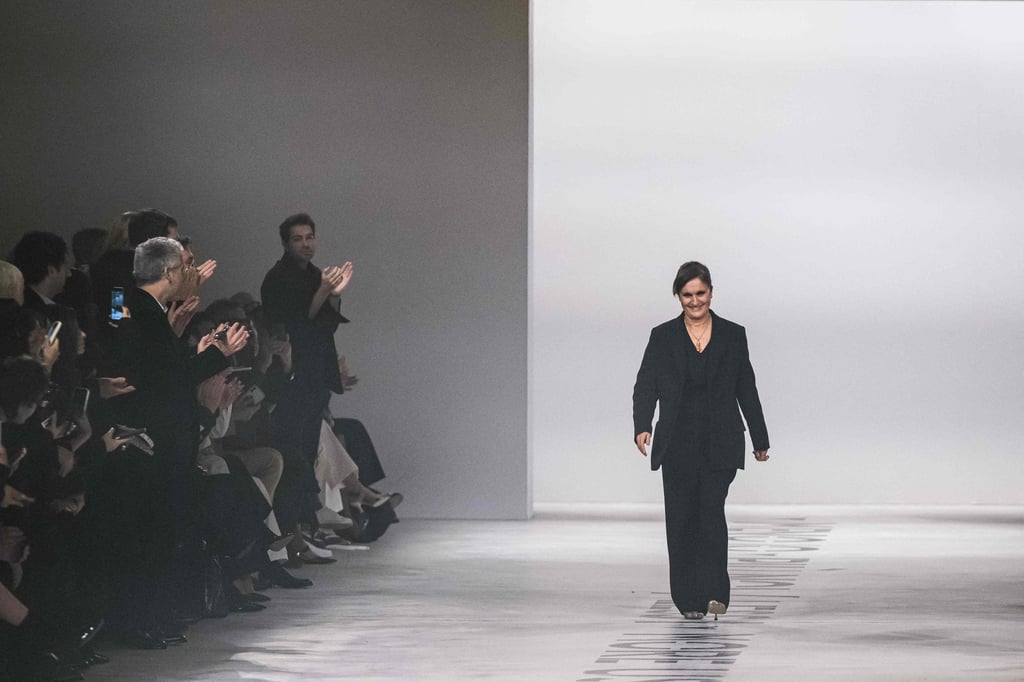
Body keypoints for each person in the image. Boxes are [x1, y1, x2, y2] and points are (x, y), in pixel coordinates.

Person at [632, 261, 770, 621]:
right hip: (676, 442)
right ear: (678, 296)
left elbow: (746, 387)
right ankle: (688, 599)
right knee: (681, 520)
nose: (695, 301)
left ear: (711, 292)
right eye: (687, 295)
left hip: (720, 441)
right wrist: (642, 425)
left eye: (701, 293)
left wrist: (760, 438)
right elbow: (646, 384)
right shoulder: (663, 336)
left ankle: (715, 592)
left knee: (710, 514)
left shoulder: (732, 335)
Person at [259, 213, 352, 502]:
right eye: (298, 239)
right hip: (293, 373)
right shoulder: (278, 278)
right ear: (286, 244)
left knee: (309, 446)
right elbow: (298, 325)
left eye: (309, 237)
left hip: (316, 372)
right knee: (295, 446)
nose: (306, 244)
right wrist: (324, 290)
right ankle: (295, 519)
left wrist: (333, 294)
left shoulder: (314, 274)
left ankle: (306, 517)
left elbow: (327, 324)